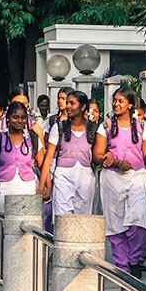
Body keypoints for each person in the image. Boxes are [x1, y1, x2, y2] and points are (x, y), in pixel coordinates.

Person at [93, 88, 146, 277]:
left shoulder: (142, 127)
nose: (116, 104)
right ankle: (123, 265)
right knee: (115, 222)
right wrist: (115, 161)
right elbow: (97, 155)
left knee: (139, 219)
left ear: (130, 105)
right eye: (114, 101)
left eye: (120, 101)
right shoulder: (105, 126)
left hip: (137, 176)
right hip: (112, 178)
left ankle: (134, 259)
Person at [40, 90, 96, 226]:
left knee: (82, 219)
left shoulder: (93, 129)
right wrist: (43, 185)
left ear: (82, 107)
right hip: (63, 176)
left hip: (85, 177)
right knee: (62, 218)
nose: (68, 107)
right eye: (67, 103)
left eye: (72, 103)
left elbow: (97, 155)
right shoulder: (59, 127)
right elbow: (48, 157)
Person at [0, 101, 41, 208]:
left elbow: (42, 164)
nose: (19, 121)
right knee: (4, 221)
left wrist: (44, 186)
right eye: (15, 117)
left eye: (23, 117)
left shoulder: (32, 139)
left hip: (27, 188)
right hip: (3, 189)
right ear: (8, 118)